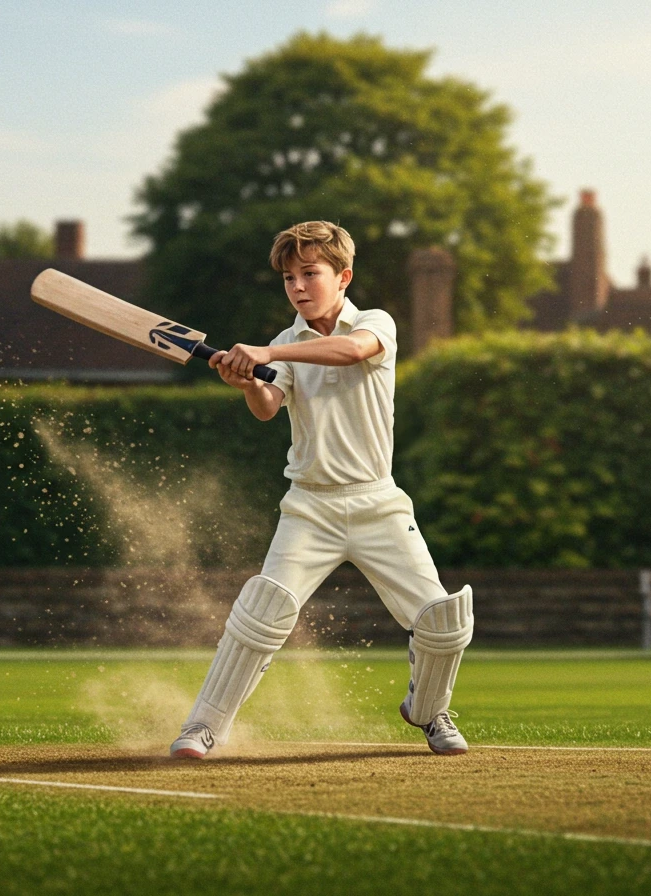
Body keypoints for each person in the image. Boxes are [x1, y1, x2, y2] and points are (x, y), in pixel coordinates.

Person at [169, 221, 473, 759]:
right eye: (289, 278)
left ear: (343, 276)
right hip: (310, 506)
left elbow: (351, 352)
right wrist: (246, 383)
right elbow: (268, 408)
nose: (298, 287)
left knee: (442, 621)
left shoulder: (375, 323)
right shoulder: (286, 342)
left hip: (378, 501)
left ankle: (429, 711)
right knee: (263, 611)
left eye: (310, 273)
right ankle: (204, 726)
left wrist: (264, 354)